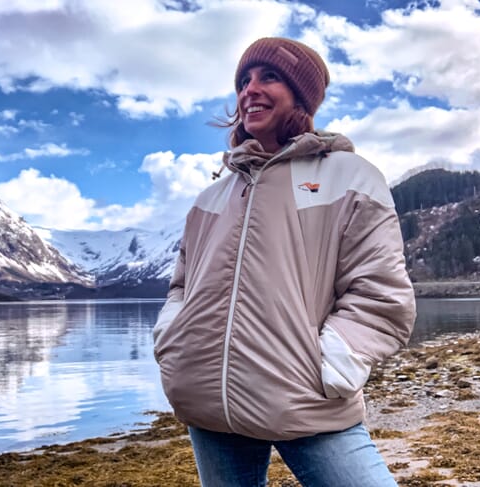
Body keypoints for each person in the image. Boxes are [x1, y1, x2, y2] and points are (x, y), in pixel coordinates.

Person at [153, 37, 416, 487]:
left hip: (305, 400)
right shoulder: (211, 197)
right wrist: (173, 341)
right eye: (244, 81)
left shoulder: (350, 177)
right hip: (209, 408)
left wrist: (328, 367)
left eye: (268, 77)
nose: (250, 90)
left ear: (301, 93)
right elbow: (181, 286)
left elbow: (381, 296)